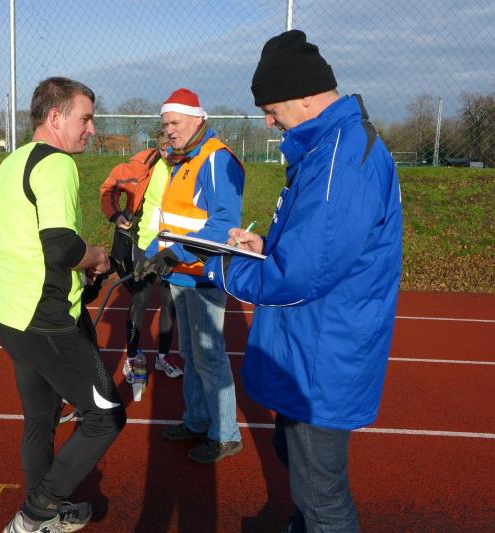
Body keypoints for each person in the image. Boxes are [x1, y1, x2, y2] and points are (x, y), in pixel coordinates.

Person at [201, 31, 402, 532]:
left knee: (321, 494)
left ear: (306, 96)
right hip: (314, 342)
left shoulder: (340, 159)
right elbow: (318, 244)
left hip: (322, 351)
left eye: (272, 109)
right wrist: (265, 246)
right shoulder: (331, 148)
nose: (269, 122)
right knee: (298, 464)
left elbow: (300, 274)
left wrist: (221, 265)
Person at [0, 77, 126, 533]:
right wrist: (97, 257)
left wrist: (80, 271)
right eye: (85, 119)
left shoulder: (10, 163)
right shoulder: (57, 163)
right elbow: (60, 245)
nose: (92, 129)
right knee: (105, 416)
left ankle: (42, 514)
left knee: (40, 421)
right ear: (55, 117)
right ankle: (35, 514)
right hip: (46, 321)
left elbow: (32, 244)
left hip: (11, 316)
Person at [134, 88, 246, 463]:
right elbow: (173, 223)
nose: (169, 129)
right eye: (165, 124)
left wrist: (174, 253)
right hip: (180, 275)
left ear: (198, 119)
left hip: (203, 275)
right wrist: (152, 254)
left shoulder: (215, 159)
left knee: (210, 357)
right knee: (189, 355)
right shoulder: (184, 160)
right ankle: (197, 420)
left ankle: (225, 435)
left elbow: (224, 225)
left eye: (175, 122)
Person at [98, 128, 182, 384]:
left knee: (169, 303)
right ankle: (133, 357)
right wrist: (115, 214)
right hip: (144, 244)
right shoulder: (143, 165)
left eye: (173, 148)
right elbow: (110, 186)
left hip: (173, 248)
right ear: (158, 146)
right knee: (140, 300)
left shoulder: (189, 167)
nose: (168, 154)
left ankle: (163, 357)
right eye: (164, 148)